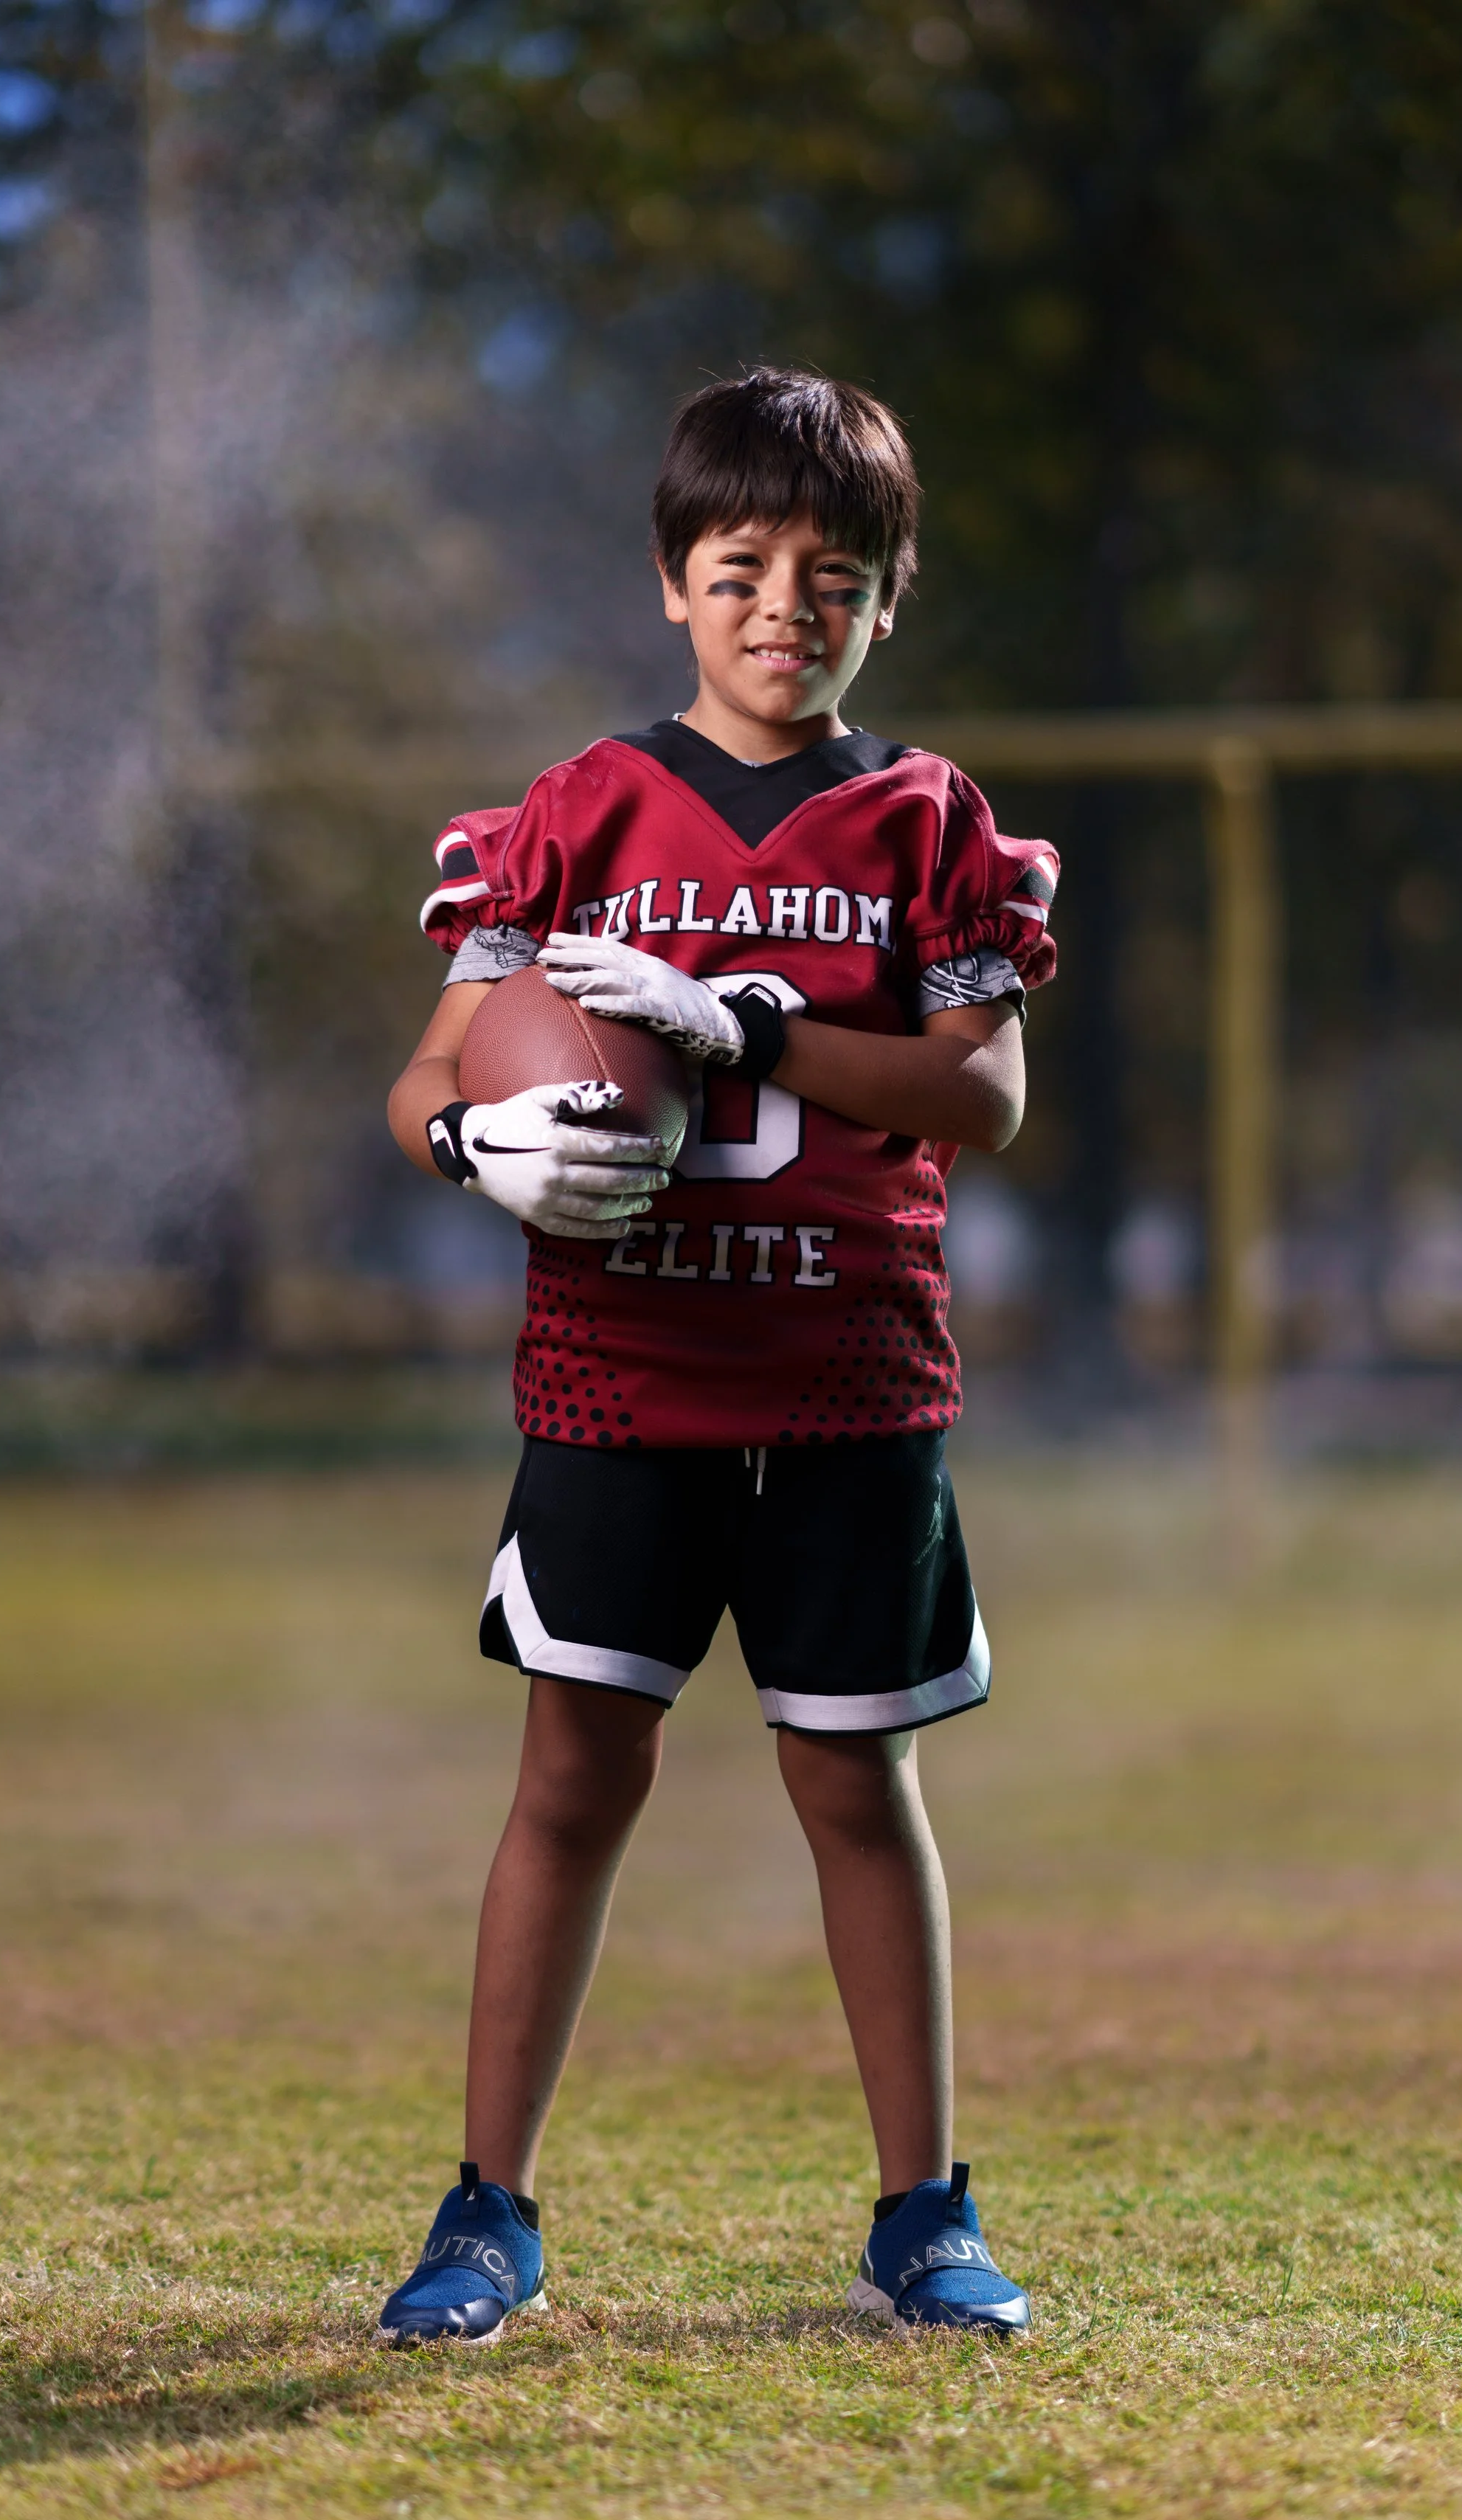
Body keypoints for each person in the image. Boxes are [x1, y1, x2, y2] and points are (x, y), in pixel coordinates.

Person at [378, 367, 1059, 2345]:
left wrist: (739, 1023)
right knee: (573, 1773)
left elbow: (982, 1094)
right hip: (621, 1369)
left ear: (883, 603)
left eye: (830, 575)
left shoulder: (925, 819)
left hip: (849, 1369)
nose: (784, 604)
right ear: (671, 582)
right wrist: (467, 1139)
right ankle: (485, 2202)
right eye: (740, 565)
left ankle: (920, 2208)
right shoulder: (578, 811)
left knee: (854, 1781)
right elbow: (432, 1068)